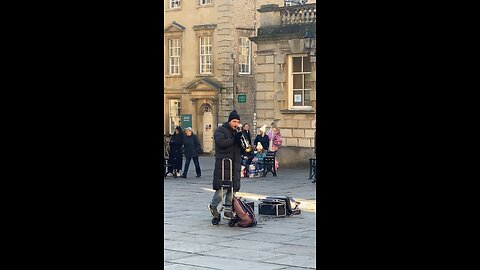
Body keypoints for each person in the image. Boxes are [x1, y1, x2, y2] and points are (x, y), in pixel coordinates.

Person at [208, 110, 243, 220]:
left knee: (232, 189)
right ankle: (213, 206)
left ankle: (228, 210)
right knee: (223, 188)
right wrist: (234, 140)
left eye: (237, 122)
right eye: (234, 121)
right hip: (224, 164)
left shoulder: (236, 132)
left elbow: (241, 147)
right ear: (229, 121)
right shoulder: (220, 130)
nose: (235, 124)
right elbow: (221, 143)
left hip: (235, 164)